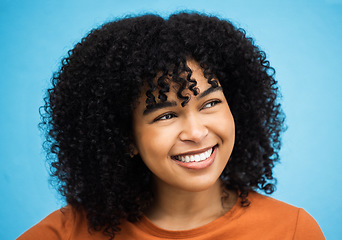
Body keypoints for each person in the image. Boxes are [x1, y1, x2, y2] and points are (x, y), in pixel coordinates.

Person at [18, 12, 325, 240]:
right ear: (126, 138)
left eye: (209, 103)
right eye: (165, 115)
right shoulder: (66, 233)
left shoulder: (292, 230)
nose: (196, 132)